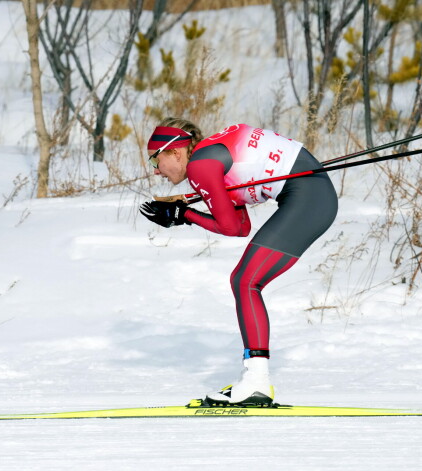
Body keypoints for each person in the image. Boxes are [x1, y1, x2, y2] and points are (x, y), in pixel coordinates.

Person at [140, 117, 338, 406]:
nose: (156, 170)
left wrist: (184, 215)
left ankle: (256, 383)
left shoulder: (200, 167)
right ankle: (255, 380)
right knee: (245, 280)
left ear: (175, 151)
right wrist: (185, 213)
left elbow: (232, 229)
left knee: (245, 281)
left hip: (308, 199)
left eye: (155, 160)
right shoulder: (212, 156)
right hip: (312, 196)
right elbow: (241, 226)